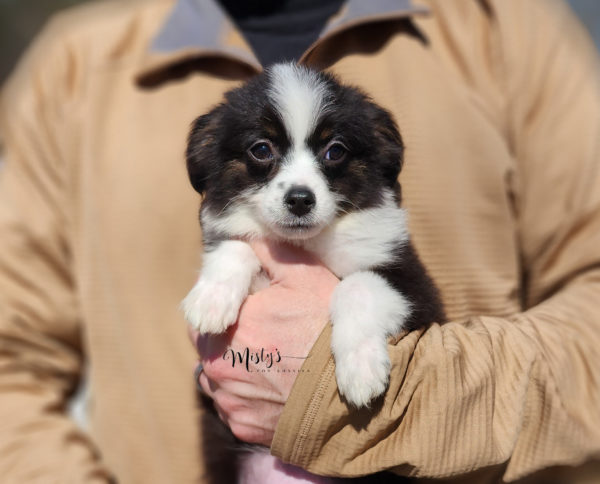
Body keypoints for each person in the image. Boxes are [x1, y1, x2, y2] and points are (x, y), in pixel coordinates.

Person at [0, 0, 599, 483]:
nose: (299, 186)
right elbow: (12, 363)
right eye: (264, 152)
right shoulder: (76, 65)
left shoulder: (509, 27)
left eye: (332, 153)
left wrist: (413, 398)